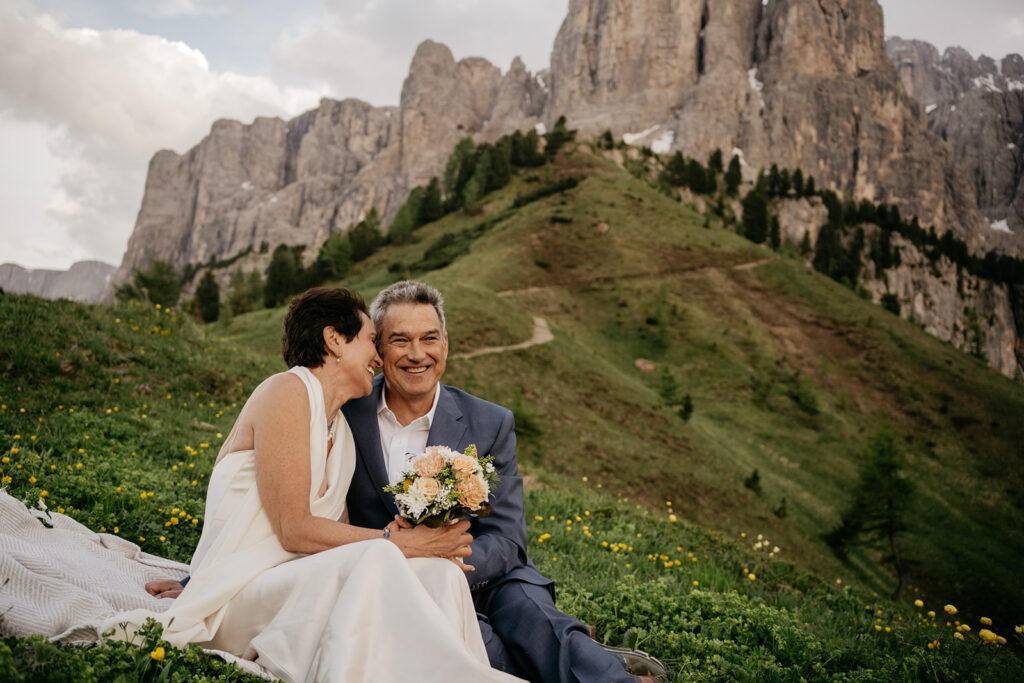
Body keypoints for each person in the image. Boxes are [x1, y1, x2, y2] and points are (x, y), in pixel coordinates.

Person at [148, 281, 667, 682]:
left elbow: (508, 537)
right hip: (392, 579)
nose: (415, 354)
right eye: (394, 340)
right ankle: (575, 658)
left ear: (446, 343)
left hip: (485, 573)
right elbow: (282, 513)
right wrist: (205, 582)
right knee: (474, 644)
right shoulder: (341, 411)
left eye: (429, 338)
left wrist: (446, 556)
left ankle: (598, 668)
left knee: (532, 615)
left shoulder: (490, 422)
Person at [114, 287, 520, 683]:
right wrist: (396, 543)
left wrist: (406, 542)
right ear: (334, 341)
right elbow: (293, 529)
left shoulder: (340, 429)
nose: (379, 358)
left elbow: (338, 539)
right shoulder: (286, 391)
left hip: (296, 582)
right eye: (370, 341)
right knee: (381, 558)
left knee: (439, 573)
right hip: (243, 591)